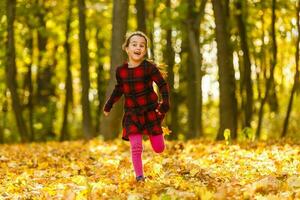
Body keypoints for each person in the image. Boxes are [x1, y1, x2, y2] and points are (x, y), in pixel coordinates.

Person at [103, 31, 170, 182]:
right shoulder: (121, 71)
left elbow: (162, 85)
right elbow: (119, 89)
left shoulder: (149, 68)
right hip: (132, 114)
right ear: (127, 48)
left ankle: (158, 136)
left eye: (142, 45)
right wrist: (109, 105)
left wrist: (165, 103)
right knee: (136, 147)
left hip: (150, 111)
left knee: (159, 149)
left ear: (145, 50)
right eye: (134, 44)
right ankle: (139, 177)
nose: (138, 47)